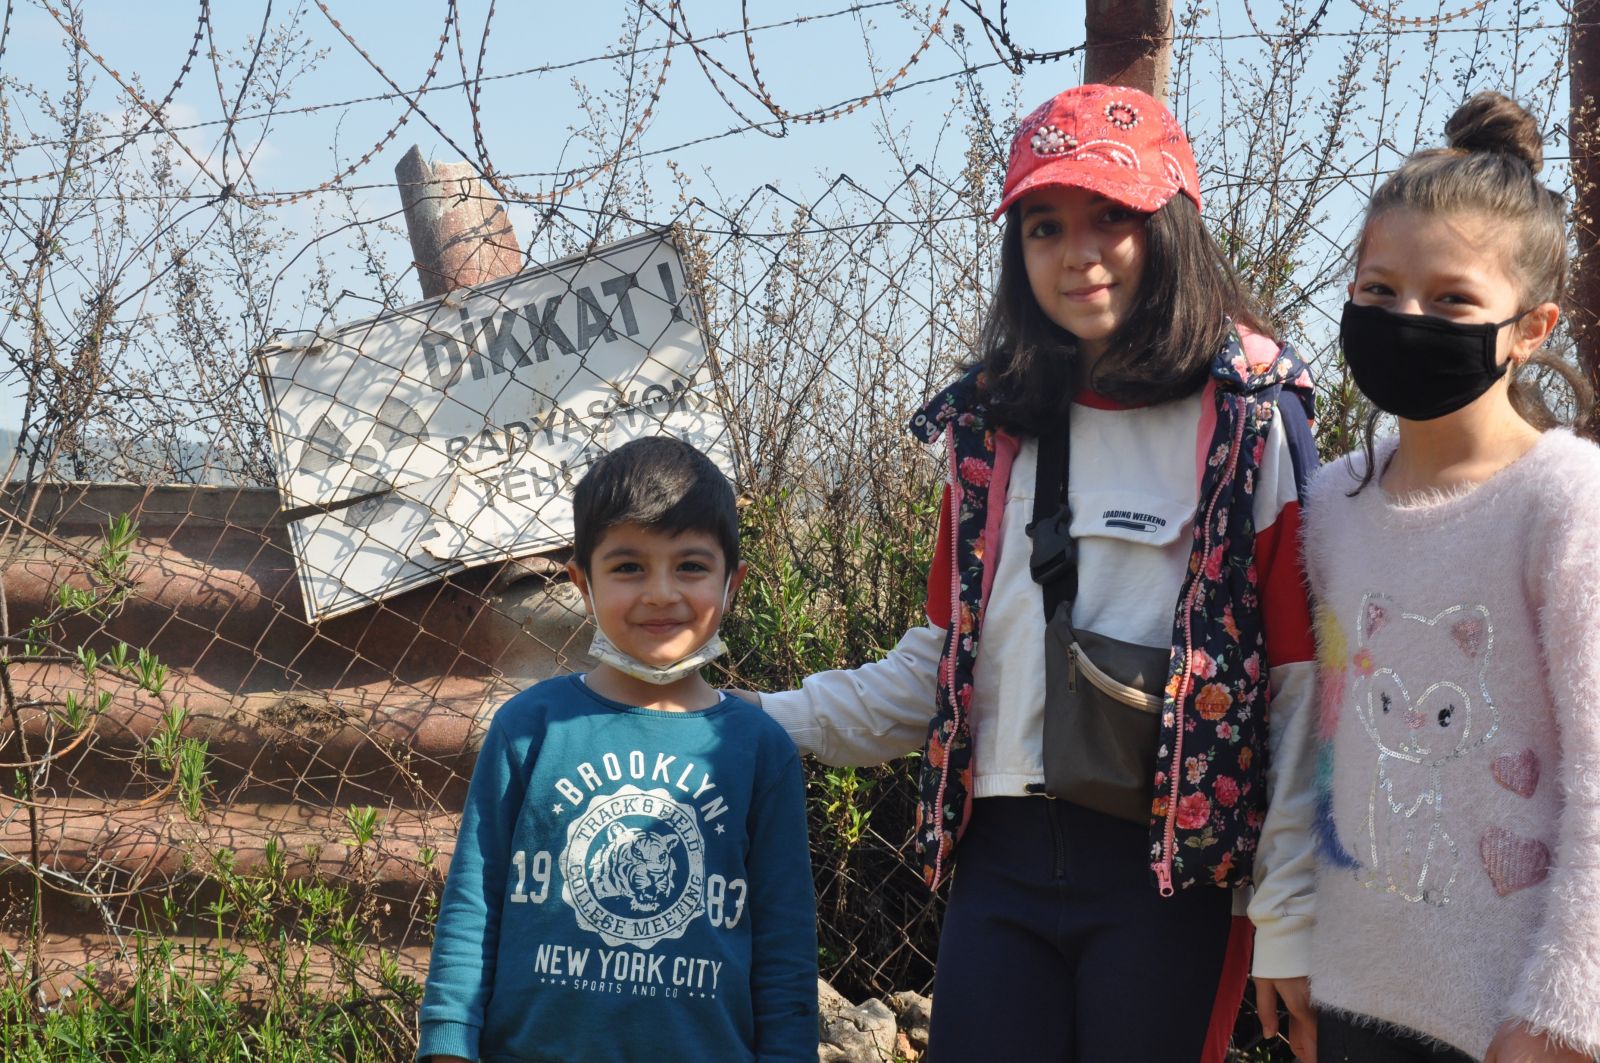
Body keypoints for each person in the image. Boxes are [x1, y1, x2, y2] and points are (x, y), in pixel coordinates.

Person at [744, 84, 1321, 1062]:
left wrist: (1292, 909)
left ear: (1170, 224)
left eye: (1112, 216)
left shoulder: (1250, 417)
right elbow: (935, 673)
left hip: (1166, 881)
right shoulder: (985, 427)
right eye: (1043, 224)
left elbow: (1302, 692)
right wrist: (748, 719)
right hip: (998, 870)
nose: (1076, 252)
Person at [1250, 92, 1600, 1063]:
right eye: (1376, 290)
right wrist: (1294, 940)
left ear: (1531, 328)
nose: (1406, 318)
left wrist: (1566, 1009)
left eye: (1451, 300)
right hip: (1354, 993)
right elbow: (1316, 742)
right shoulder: (1332, 503)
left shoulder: (1563, 500)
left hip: (1509, 1019)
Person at [417, 436, 819, 1063]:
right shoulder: (529, 726)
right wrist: (448, 1040)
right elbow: (475, 899)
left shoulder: (759, 749)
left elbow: (785, 940)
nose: (660, 593)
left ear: (731, 581)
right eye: (628, 567)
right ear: (582, 582)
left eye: (690, 565)